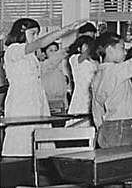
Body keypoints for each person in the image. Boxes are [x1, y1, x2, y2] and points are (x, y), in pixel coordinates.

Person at [1, 18, 86, 156]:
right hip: (21, 103)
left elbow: (47, 66)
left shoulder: (31, 57)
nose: (35, 37)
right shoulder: (13, 50)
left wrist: (68, 49)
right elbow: (40, 43)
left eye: (37, 34)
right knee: (21, 140)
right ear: (21, 31)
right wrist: (66, 30)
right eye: (33, 33)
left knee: (40, 140)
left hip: (37, 101)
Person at [66, 35, 97, 126]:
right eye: (86, 45)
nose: (89, 48)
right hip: (80, 94)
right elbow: (83, 56)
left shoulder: (95, 61)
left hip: (92, 94)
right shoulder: (75, 59)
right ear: (79, 47)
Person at [40, 41, 69, 114]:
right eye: (51, 50)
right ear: (44, 53)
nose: (54, 53)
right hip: (48, 102)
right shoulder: (44, 65)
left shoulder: (60, 69)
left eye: (56, 50)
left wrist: (65, 103)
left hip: (60, 103)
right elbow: (52, 61)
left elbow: (63, 89)